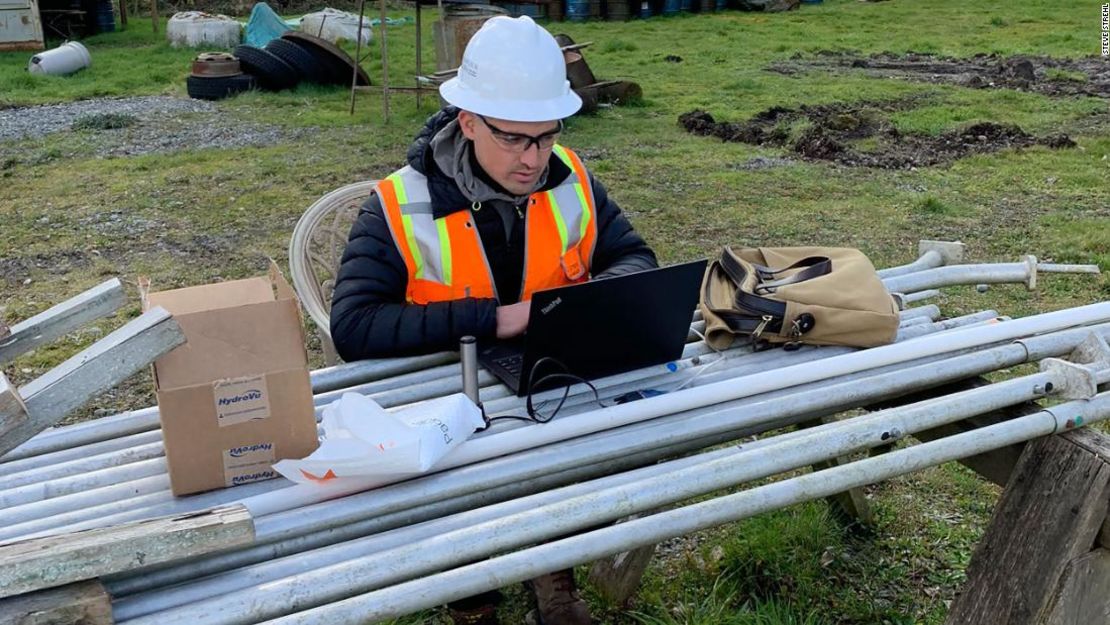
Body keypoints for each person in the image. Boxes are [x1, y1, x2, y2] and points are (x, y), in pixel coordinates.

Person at [330, 14, 657, 625]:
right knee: (460, 481)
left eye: (547, 136)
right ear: (468, 122)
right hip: (437, 398)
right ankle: (472, 600)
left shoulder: (572, 177)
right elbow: (353, 327)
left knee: (572, 446)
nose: (534, 158)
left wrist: (575, 309)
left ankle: (552, 579)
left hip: (544, 382)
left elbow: (634, 257)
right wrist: (495, 319)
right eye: (514, 139)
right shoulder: (399, 203)